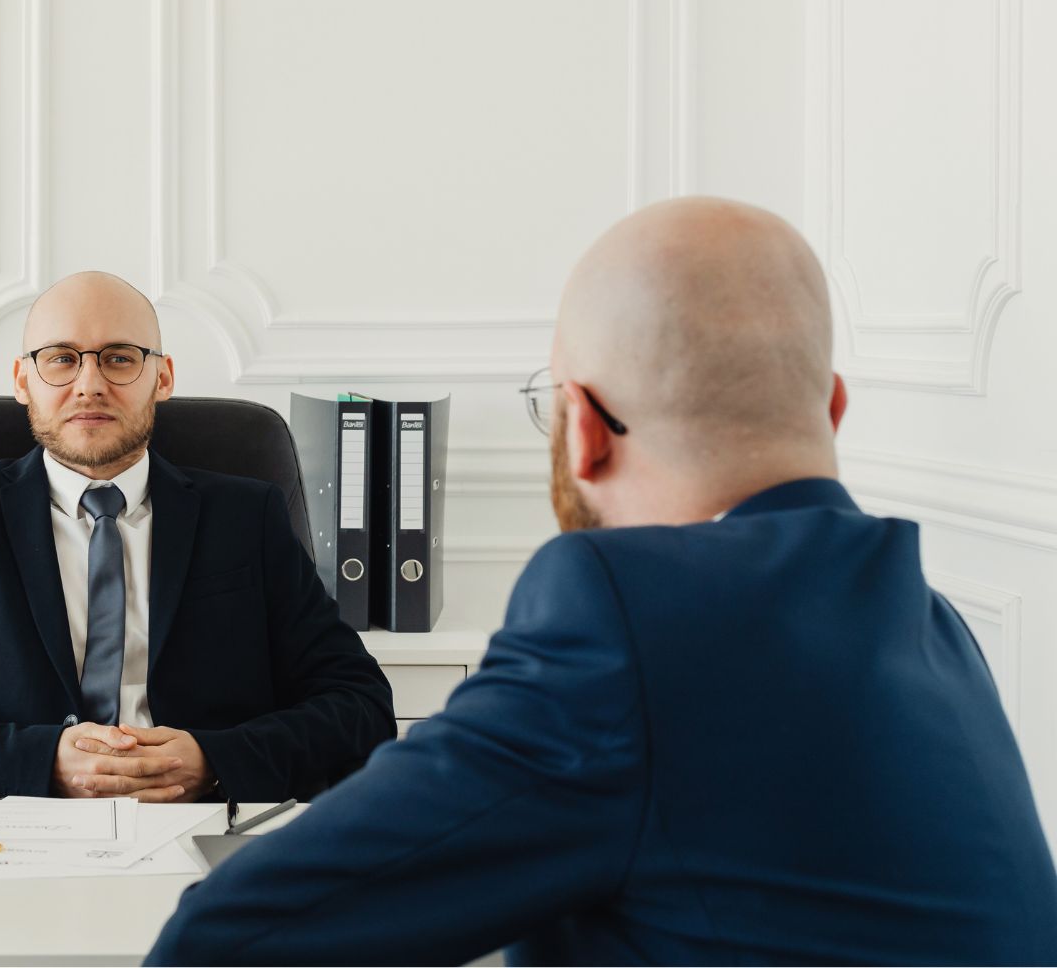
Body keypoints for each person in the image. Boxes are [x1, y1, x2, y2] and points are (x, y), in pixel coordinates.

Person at [148, 198, 1057, 965]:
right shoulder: (934, 627)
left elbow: (227, 940)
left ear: (581, 427)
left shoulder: (634, 619)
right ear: (833, 407)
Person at [0, 271, 393, 803]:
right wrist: (38, 761)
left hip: (201, 823)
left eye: (119, 358)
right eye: (62, 358)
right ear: (23, 380)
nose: (89, 383)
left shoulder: (247, 516)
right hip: (17, 825)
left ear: (163, 377)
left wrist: (213, 761)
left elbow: (359, 704)